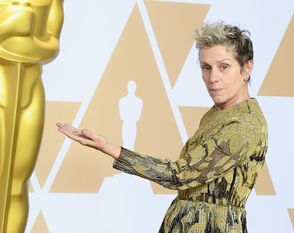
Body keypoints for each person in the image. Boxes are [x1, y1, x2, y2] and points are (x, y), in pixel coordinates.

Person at [57, 21, 268, 233]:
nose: (213, 78)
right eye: (206, 67)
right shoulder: (218, 113)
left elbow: (180, 175)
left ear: (246, 68)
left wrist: (110, 148)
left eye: (224, 67)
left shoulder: (244, 124)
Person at [0, 1, 64, 232]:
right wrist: (9, 24)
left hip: (30, 89)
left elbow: (52, 45)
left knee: (17, 184)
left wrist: (19, 43)